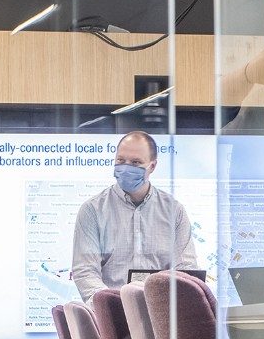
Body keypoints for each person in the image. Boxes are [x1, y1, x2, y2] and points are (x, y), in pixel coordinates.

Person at [69, 129, 199, 301]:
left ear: (152, 166)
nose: (126, 167)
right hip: (114, 315)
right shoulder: (92, 210)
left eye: (136, 162)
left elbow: (186, 269)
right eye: (121, 160)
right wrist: (111, 307)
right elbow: (85, 271)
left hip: (161, 312)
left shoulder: (174, 211)